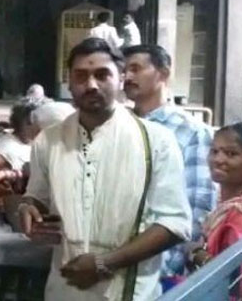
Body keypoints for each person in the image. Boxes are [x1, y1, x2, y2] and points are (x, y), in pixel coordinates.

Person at [20, 38, 192, 301]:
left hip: (129, 289)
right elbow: (37, 199)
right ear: (69, 81)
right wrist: (27, 208)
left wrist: (105, 263)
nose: (90, 85)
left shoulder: (156, 141)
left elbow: (175, 223)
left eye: (102, 75)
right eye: (81, 76)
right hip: (65, 288)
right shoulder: (49, 140)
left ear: (121, 78)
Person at [123, 44, 215, 285]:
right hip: (114, 264)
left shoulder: (191, 132)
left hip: (162, 271)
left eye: (135, 68)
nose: (127, 76)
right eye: (123, 70)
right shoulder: (118, 127)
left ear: (163, 74)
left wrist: (170, 266)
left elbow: (198, 206)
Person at [189, 124, 242, 270]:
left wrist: (197, 254)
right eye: (214, 151)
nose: (218, 159)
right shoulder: (223, 208)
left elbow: (232, 275)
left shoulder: (237, 215)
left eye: (231, 154)